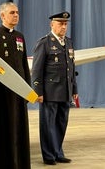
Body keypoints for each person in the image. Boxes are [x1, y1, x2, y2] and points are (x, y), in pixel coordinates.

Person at [0, 2, 31, 169]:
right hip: (0, 93)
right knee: (0, 130)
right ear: (2, 16)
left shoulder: (20, 36)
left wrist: (28, 90)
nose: (16, 15)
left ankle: (18, 163)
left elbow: (24, 64)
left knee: (18, 129)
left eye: (17, 12)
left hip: (18, 93)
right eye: (12, 12)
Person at [31, 11, 78, 165]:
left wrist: (74, 90)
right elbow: (37, 70)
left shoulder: (69, 42)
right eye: (60, 23)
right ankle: (49, 155)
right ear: (52, 24)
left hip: (65, 91)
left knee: (61, 124)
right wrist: (37, 92)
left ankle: (58, 152)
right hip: (50, 92)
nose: (63, 26)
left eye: (65, 24)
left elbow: (71, 68)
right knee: (48, 125)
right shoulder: (44, 43)